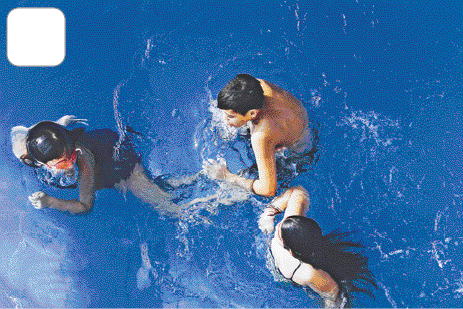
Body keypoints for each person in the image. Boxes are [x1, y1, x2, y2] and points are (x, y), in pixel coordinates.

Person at [11, 115, 181, 216]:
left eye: (71, 156)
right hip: (102, 143)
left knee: (167, 208)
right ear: (42, 164)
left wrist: (50, 202)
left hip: (119, 161)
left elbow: (85, 206)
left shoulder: (83, 158)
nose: (71, 164)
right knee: (161, 188)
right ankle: (195, 180)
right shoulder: (25, 152)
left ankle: (201, 203)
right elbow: (17, 132)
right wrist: (59, 125)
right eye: (64, 162)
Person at [258, 186, 377, 308]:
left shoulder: (307, 273)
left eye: (280, 232)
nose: (278, 228)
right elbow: (298, 191)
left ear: (291, 252)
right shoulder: (291, 226)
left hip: (300, 279)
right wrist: (270, 213)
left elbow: (334, 297)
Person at [202, 73, 317, 197]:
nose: (226, 120)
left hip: (298, 155)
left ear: (252, 113)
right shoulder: (257, 86)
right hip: (301, 124)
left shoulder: (261, 135)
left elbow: (268, 190)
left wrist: (228, 176)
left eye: (230, 117)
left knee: (228, 188)